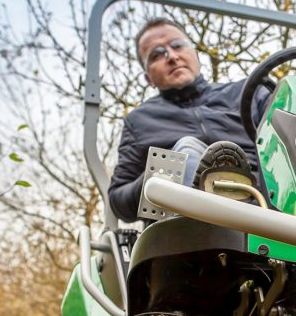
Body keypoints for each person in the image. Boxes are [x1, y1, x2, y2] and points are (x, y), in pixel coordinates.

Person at [108, 17, 271, 222]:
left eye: (177, 45)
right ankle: (221, 213)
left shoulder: (250, 94)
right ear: (148, 78)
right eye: (156, 55)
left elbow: (293, 137)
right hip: (185, 228)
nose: (172, 56)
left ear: (195, 54)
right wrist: (158, 176)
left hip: (265, 202)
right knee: (185, 151)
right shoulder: (139, 121)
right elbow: (117, 201)